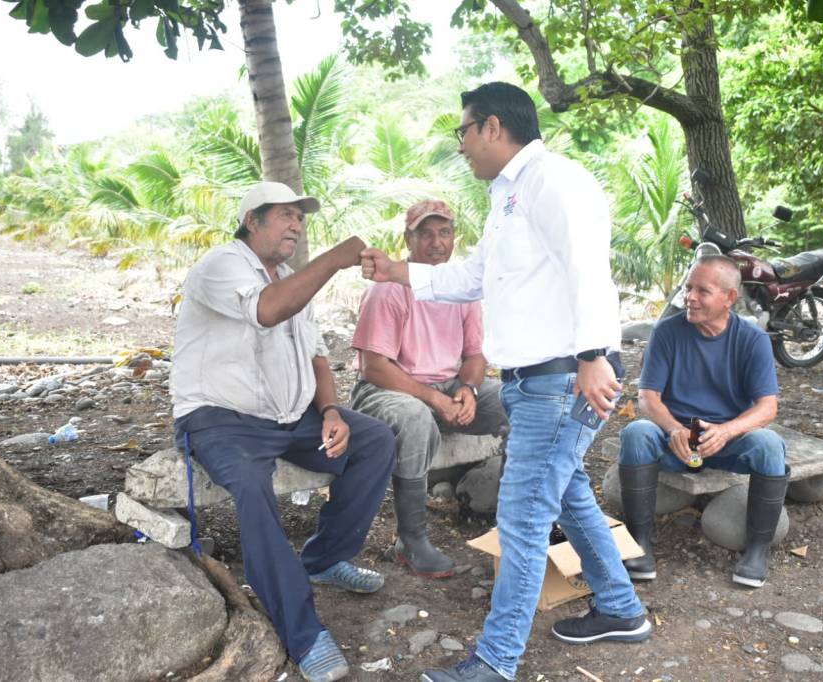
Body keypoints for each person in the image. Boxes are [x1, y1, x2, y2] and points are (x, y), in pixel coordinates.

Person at [361, 82, 651, 682]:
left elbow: (588, 268)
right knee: (567, 495)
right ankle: (621, 609)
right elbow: (472, 278)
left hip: (562, 379)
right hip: (532, 383)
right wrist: (396, 271)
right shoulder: (507, 196)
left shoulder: (553, 181)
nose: (460, 145)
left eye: (463, 131)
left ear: (492, 126)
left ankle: (495, 662)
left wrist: (594, 354)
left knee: (521, 520)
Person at [170, 181, 396, 682]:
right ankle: (303, 633)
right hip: (221, 417)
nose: (296, 225)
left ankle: (325, 558)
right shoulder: (221, 265)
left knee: (375, 440)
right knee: (252, 487)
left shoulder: (292, 278)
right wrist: (334, 259)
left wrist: (332, 411)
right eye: (286, 215)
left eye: (300, 217)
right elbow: (267, 310)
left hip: (288, 418)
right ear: (252, 220)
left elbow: (317, 357)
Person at [350, 199, 508, 579]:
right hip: (386, 388)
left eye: (445, 232)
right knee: (415, 417)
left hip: (447, 385)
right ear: (408, 239)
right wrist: (434, 398)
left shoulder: (461, 288)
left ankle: (515, 517)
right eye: (426, 234)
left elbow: (475, 354)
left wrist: (468, 389)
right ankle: (410, 540)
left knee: (514, 401)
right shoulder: (389, 289)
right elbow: (375, 367)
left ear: (454, 238)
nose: (437, 242)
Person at [619, 255, 788, 589]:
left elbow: (767, 407)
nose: (690, 298)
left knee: (769, 445)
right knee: (636, 433)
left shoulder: (752, 340)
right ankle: (639, 545)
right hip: (676, 441)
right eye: (688, 288)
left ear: (729, 298)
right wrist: (674, 429)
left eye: (702, 291)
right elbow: (648, 397)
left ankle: (756, 552)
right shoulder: (667, 332)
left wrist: (726, 431)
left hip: (727, 443)